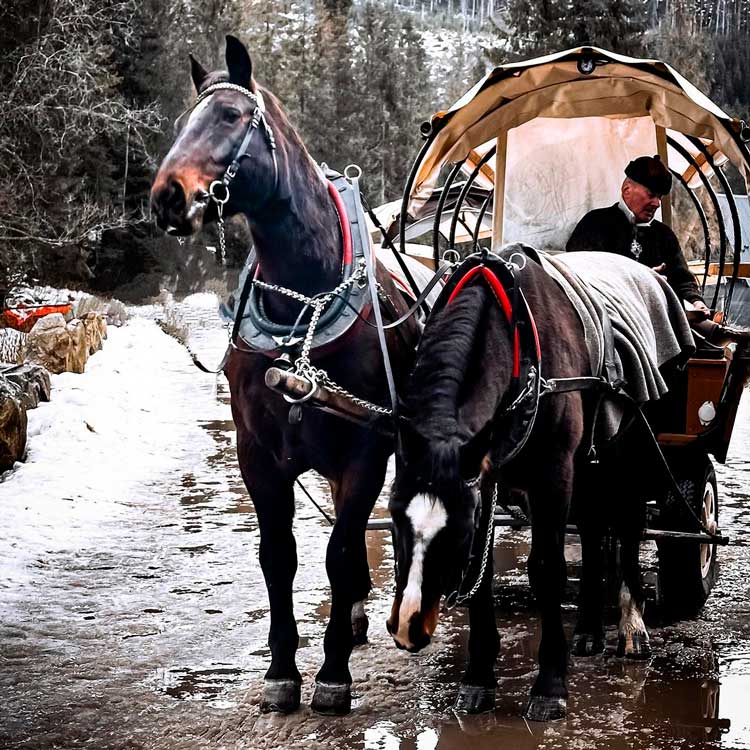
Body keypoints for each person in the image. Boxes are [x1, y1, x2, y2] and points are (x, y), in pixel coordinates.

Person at [566, 155, 711, 317]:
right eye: (651, 194)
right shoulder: (595, 224)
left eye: (660, 197)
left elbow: (683, 280)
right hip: (609, 320)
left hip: (662, 319)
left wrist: (695, 302)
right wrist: (641, 278)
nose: (657, 203)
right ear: (627, 189)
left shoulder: (664, 234)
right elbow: (580, 276)